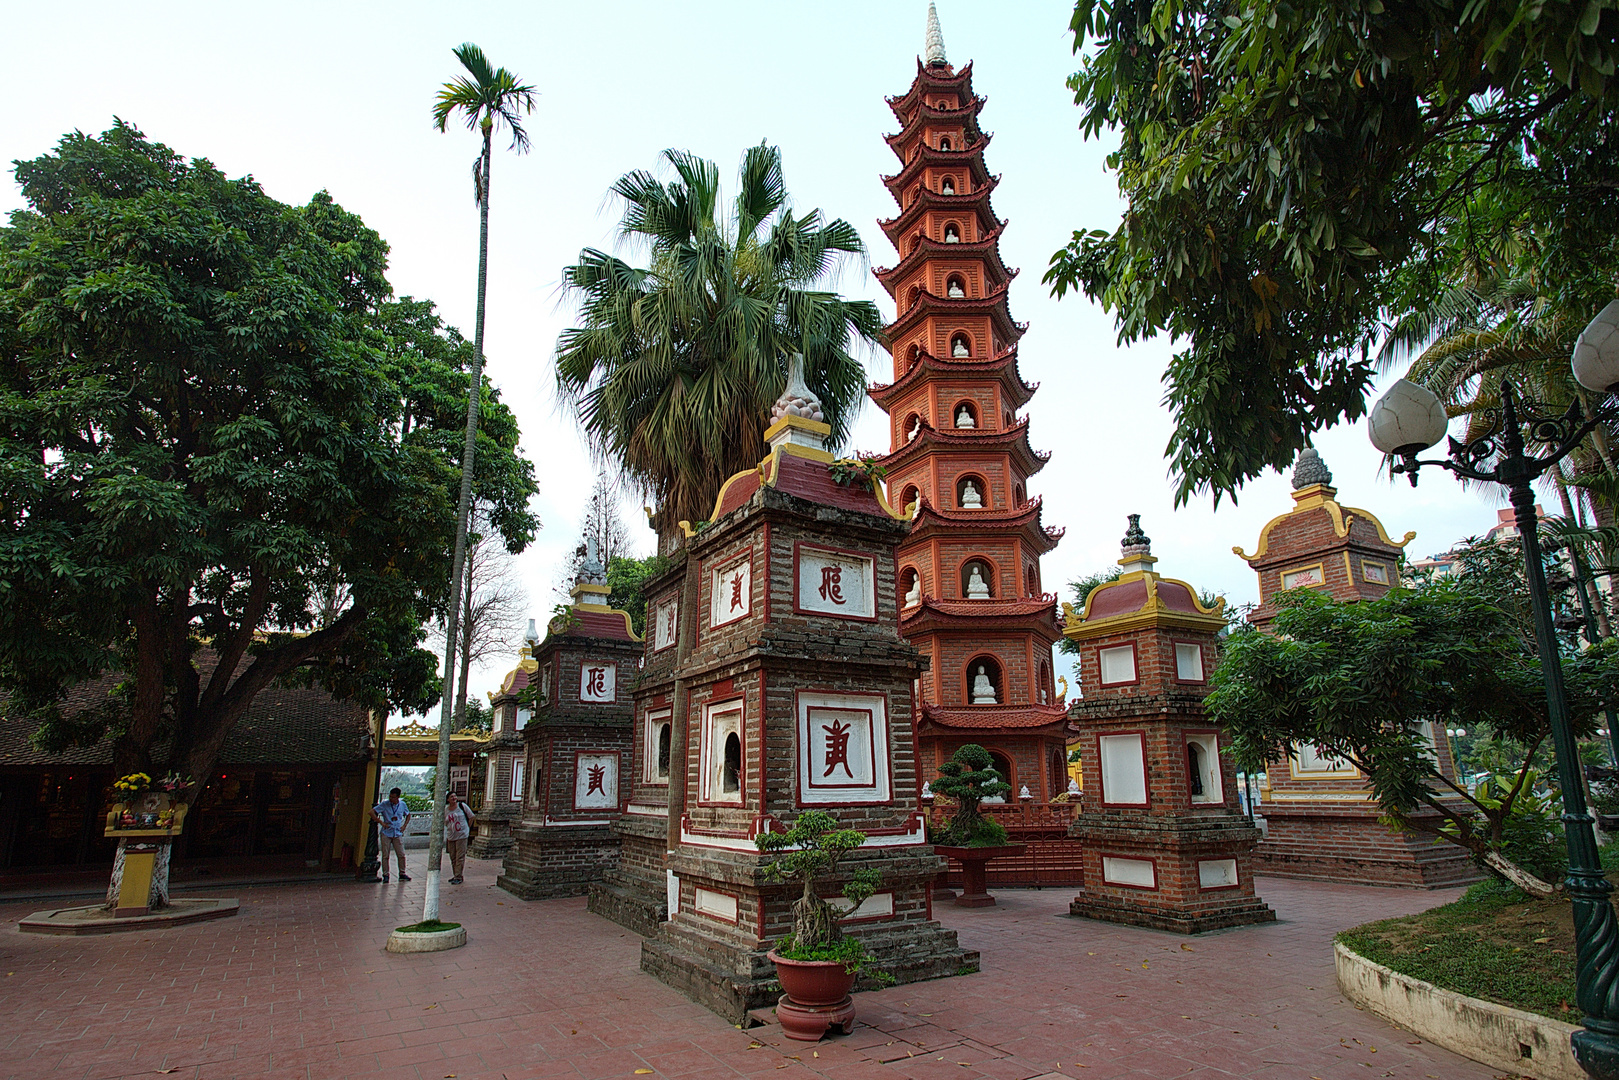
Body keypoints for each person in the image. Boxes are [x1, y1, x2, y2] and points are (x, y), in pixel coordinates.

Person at [371, 787, 411, 882]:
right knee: (385, 855)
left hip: (397, 832)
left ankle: (402, 873)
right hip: (386, 832)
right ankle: (386, 874)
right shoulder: (385, 804)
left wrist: (404, 825)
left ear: (398, 797)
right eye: (390, 796)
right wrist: (381, 822)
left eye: (393, 797)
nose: (391, 799)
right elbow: (372, 812)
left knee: (401, 854)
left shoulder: (402, 804)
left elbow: (408, 814)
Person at [444, 791, 477, 884]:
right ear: (448, 799)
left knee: (460, 856)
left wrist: (467, 828)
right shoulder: (446, 810)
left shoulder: (462, 806)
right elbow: (445, 822)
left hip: (462, 835)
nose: (454, 798)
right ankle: (456, 875)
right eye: (451, 797)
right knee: (453, 857)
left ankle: (458, 876)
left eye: (455, 796)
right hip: (451, 836)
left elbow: (471, 817)